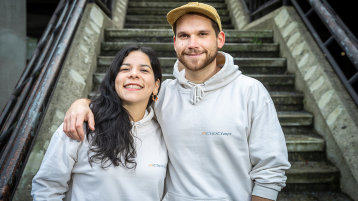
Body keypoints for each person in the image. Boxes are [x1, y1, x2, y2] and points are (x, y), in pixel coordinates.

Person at [63, 2, 291, 201]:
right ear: (175, 43)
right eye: (184, 36)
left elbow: (270, 169)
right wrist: (83, 103)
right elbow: (122, 100)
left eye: (202, 34)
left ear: (220, 39)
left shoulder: (250, 91)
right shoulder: (162, 94)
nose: (193, 43)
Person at [32, 45, 167, 201]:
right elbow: (47, 188)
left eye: (144, 70)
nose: (134, 74)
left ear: (156, 86)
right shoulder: (80, 124)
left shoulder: (164, 133)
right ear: (114, 80)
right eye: (125, 69)